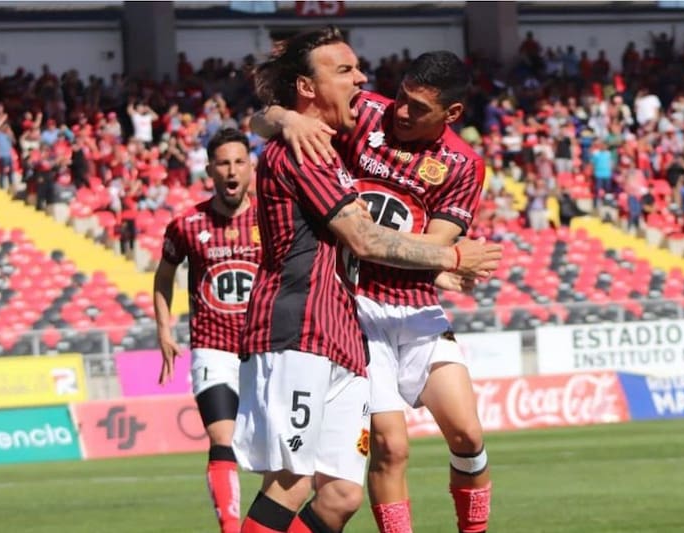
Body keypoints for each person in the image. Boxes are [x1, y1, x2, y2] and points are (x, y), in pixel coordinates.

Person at [235, 27, 501, 533]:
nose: (399, 111)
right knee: (379, 451)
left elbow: (427, 250)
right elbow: (266, 116)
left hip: (398, 308)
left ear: (451, 115)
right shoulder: (350, 122)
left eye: (418, 108)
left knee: (355, 487)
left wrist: (441, 262)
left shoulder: (462, 165)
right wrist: (285, 115)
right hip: (345, 311)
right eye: (400, 98)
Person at [153, 128, 260, 533]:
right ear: (210, 170)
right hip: (213, 347)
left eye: (238, 162)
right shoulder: (187, 224)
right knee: (223, 439)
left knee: (281, 456)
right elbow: (163, 277)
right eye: (223, 163)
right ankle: (230, 528)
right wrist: (165, 330)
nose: (231, 171)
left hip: (266, 349)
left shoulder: (273, 216)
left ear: (250, 167)